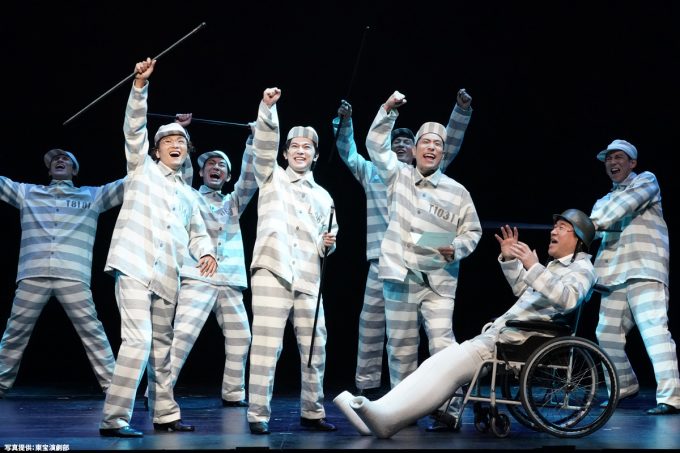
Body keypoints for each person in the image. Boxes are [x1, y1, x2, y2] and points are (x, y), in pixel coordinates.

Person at [335, 209, 598, 438]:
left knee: (447, 373)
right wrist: (511, 260)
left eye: (561, 227)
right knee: (435, 364)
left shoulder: (583, 269)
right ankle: (379, 411)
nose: (553, 231)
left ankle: (388, 421)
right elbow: (524, 290)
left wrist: (533, 266)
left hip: (522, 341)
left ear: (579, 238)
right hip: (504, 336)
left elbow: (567, 299)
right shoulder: (555, 267)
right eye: (555, 226)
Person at [98, 58, 217, 438]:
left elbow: (198, 233)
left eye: (181, 142)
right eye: (168, 141)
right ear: (155, 150)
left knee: (162, 349)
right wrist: (139, 87)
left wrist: (206, 252)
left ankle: (165, 415)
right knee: (138, 340)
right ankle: (115, 419)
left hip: (166, 277)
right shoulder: (141, 170)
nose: (175, 145)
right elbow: (134, 128)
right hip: (133, 266)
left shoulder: (189, 195)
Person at [334, 89, 473, 398]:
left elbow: (445, 143)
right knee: (373, 325)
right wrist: (345, 123)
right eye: (395, 140)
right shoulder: (376, 172)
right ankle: (369, 387)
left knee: (433, 335)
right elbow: (351, 151)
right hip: (384, 260)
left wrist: (460, 112)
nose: (400, 144)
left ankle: (438, 400)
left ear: (415, 149)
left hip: (426, 264)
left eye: (406, 142)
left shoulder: (434, 177)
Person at [362, 90, 482, 430]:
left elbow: (472, 232)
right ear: (414, 150)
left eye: (437, 144)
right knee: (400, 348)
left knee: (443, 347)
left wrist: (456, 247)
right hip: (400, 275)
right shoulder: (397, 175)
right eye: (425, 142)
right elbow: (375, 146)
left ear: (443, 152)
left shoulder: (457, 191)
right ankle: (403, 411)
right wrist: (387, 111)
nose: (431, 148)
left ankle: (449, 410)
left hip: (439, 281)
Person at [246, 87, 338, 435]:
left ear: (315, 155)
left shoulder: (325, 197)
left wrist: (328, 244)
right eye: (294, 147)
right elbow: (263, 145)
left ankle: (312, 411)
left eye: (307, 147)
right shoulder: (271, 177)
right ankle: (257, 414)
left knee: (316, 347)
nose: (300, 151)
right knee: (267, 346)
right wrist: (267, 110)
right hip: (273, 271)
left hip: (310, 278)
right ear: (285, 153)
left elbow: (329, 239)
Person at [0, 149, 124, 398]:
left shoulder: (92, 196)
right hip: (33, 273)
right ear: (48, 170)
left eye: (66, 159)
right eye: (55, 159)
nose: (59, 160)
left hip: (72, 275)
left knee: (92, 331)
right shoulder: (27, 193)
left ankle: (114, 388)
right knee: (14, 332)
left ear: (74, 170)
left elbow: (130, 184)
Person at [167, 115, 257, 407]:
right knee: (182, 336)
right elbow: (179, 169)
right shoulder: (190, 196)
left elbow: (250, 176)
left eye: (221, 166)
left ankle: (233, 394)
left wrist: (253, 139)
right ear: (201, 171)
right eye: (210, 164)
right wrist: (182, 130)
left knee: (241, 337)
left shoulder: (233, 202)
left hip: (229, 279)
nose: (215, 168)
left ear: (227, 176)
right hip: (197, 276)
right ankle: (158, 392)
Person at [590, 139, 680, 415]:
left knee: (654, 330)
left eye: (618, 157)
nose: (612, 162)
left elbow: (620, 208)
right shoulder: (603, 201)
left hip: (645, 268)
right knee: (606, 333)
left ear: (632, 163)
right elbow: (594, 230)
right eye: (609, 159)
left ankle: (671, 397)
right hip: (614, 274)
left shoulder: (646, 181)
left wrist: (589, 225)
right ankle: (623, 386)